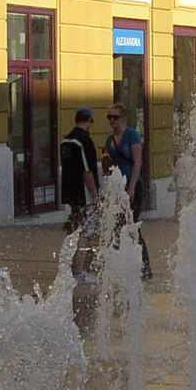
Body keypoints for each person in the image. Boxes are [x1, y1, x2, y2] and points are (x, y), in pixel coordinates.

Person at [103, 102, 151, 279]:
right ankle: (123, 264)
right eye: (109, 117)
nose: (112, 121)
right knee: (118, 225)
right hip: (117, 186)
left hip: (132, 184)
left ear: (123, 118)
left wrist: (131, 188)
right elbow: (109, 165)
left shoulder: (131, 135)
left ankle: (144, 267)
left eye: (115, 117)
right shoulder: (110, 139)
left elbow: (137, 161)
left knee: (131, 225)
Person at [60, 108, 100, 280]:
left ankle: (71, 265)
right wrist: (95, 194)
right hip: (83, 193)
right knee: (85, 230)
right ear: (90, 119)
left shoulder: (66, 140)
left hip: (69, 191)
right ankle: (79, 270)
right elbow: (87, 171)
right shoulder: (82, 140)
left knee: (75, 228)